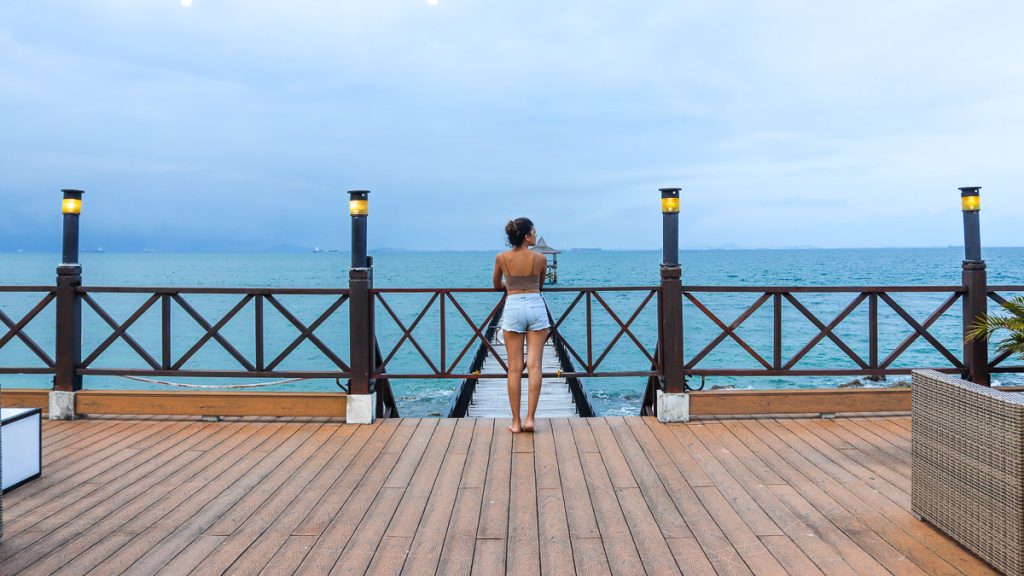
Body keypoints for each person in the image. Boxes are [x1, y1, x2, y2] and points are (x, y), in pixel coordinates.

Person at [492, 217, 549, 433]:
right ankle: (530, 419)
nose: (535, 235)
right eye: (533, 232)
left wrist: (512, 283)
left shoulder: (502, 257)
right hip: (536, 305)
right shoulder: (540, 258)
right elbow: (540, 284)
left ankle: (515, 422)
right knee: (535, 366)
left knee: (514, 369)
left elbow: (497, 284)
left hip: (513, 305)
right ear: (526, 236)